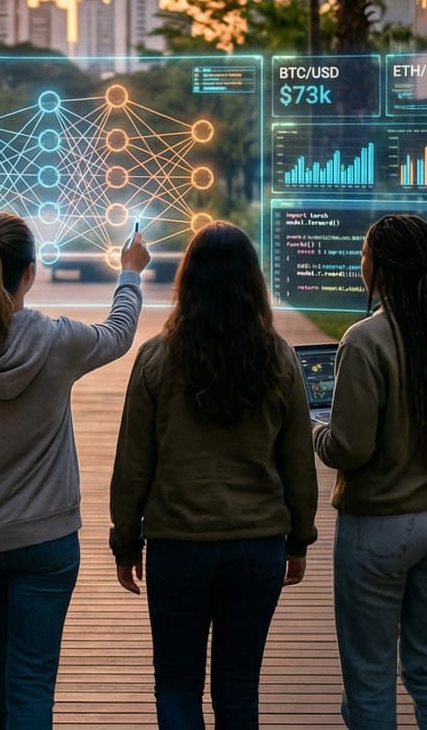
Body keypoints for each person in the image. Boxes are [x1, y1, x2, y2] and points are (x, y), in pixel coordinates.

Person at [0, 213, 149, 730]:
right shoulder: (56, 339)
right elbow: (119, 333)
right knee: (32, 681)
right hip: (48, 541)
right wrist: (130, 272)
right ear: (29, 274)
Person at [108, 222, 318, 730]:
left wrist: (126, 542)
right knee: (239, 687)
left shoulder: (157, 358)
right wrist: (299, 539)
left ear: (188, 280)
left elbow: (133, 463)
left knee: (177, 684)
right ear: (253, 281)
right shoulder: (279, 358)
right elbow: (298, 460)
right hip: (258, 544)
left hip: (178, 545)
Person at [313, 214, 427, 730]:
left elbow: (348, 449)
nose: (360, 262)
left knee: (370, 678)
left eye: (364, 254)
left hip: (378, 526)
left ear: (379, 267)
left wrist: (312, 428)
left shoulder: (365, 339)